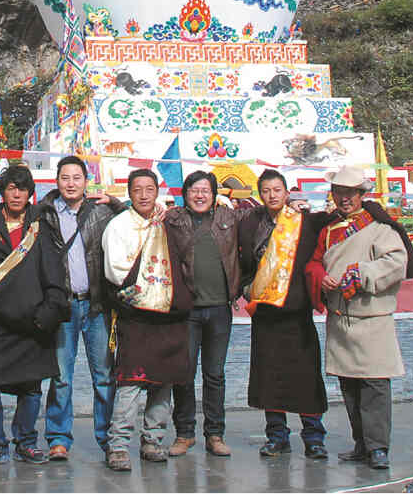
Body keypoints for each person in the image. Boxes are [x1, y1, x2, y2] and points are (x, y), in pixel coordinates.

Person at [306, 165, 411, 471]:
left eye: (350, 194)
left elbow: (395, 263)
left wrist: (361, 273)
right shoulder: (328, 231)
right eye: (339, 193)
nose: (344, 199)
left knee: (375, 385)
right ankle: (361, 443)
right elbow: (314, 263)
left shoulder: (380, 230)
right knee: (349, 385)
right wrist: (321, 276)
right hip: (341, 317)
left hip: (371, 316)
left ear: (362, 195)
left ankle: (379, 446)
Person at [0, 164, 70, 466]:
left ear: (30, 193)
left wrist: (49, 311)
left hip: (34, 321)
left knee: (31, 387)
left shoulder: (41, 225)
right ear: (3, 191)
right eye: (11, 188)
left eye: (22, 188)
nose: (16, 194)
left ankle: (26, 442)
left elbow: (54, 270)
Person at [237, 168, 334, 459]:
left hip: (296, 311)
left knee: (306, 375)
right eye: (266, 191)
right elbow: (245, 263)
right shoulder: (252, 222)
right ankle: (277, 436)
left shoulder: (302, 221)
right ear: (260, 194)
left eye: (276, 190)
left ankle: (314, 436)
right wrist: (246, 288)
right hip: (266, 312)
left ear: (287, 192)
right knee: (270, 376)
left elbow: (337, 219)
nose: (271, 196)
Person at [34, 155, 126, 460]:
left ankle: (109, 437)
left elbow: (132, 224)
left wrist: (114, 202)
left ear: (86, 182)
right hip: (63, 307)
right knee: (61, 375)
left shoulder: (101, 212)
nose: (70, 183)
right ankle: (59, 438)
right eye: (65, 178)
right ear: (56, 181)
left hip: (97, 305)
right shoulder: (44, 214)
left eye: (76, 178)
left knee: (103, 374)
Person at [102, 169, 193, 472]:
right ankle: (118, 445)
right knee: (131, 382)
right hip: (136, 315)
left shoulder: (169, 223)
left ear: (157, 191)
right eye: (137, 189)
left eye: (149, 189)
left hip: (169, 316)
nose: (143, 195)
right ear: (129, 193)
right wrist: (145, 291)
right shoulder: (118, 226)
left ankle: (153, 439)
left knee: (162, 382)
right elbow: (115, 271)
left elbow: (185, 260)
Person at [163, 169, 253, 457]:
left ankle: (215, 434)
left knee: (215, 374)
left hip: (219, 309)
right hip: (187, 310)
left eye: (205, 190)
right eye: (194, 190)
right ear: (185, 194)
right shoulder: (173, 219)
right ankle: (184, 433)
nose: (200, 195)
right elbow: (140, 213)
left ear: (214, 195)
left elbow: (263, 216)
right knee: (184, 374)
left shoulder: (229, 218)